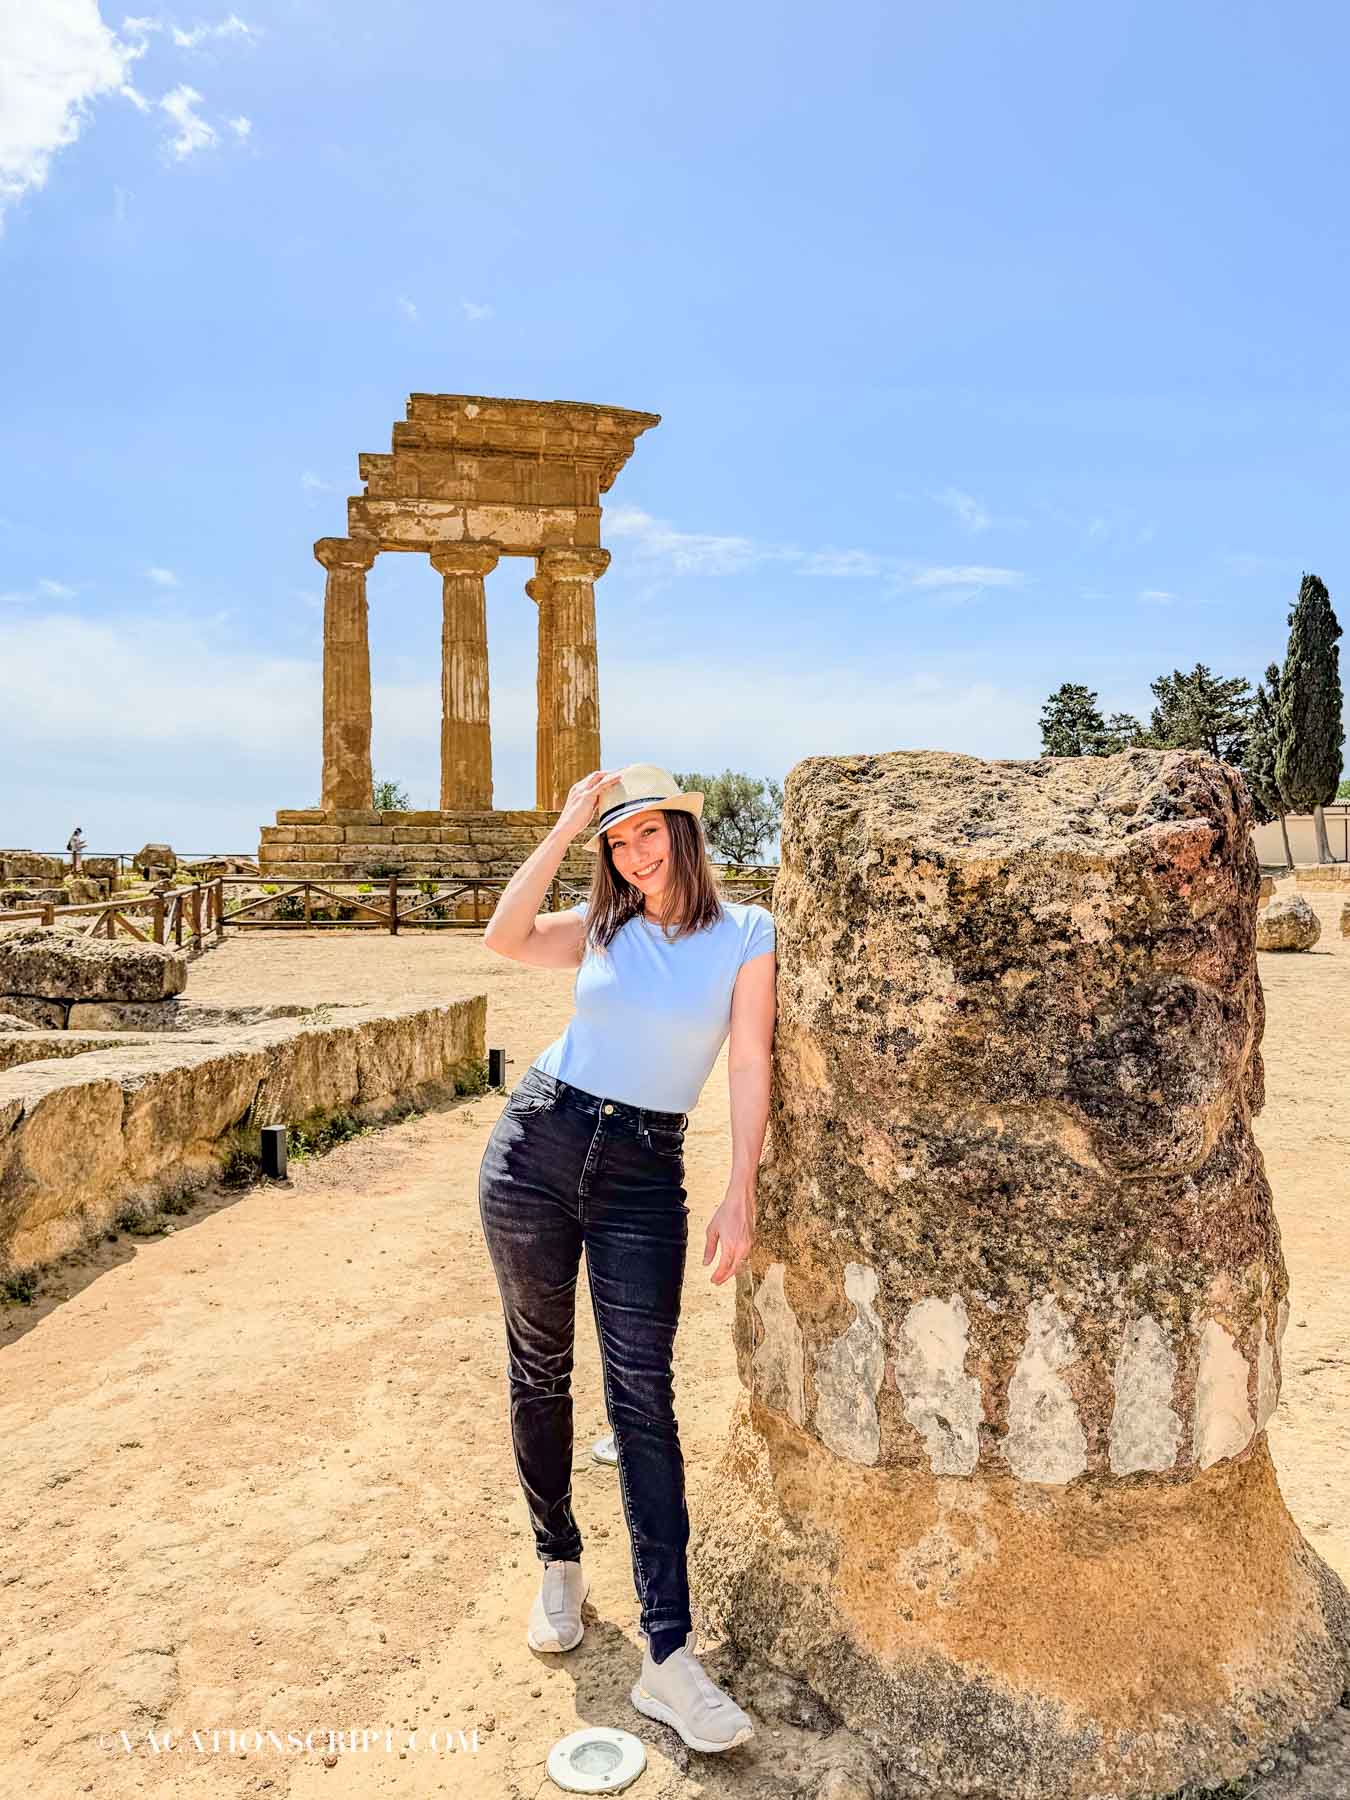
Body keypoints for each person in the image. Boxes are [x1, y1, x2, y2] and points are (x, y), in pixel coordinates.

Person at [478, 762, 776, 1755]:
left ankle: (668, 1655)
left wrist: (740, 1188)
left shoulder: (748, 933)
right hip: (535, 1145)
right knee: (538, 1368)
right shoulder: (602, 923)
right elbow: (504, 937)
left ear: (684, 832)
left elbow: (748, 1060)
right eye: (618, 840)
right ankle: (558, 1562)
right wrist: (566, 826)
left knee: (643, 1400)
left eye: (649, 833)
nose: (635, 854)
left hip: (646, 1173)